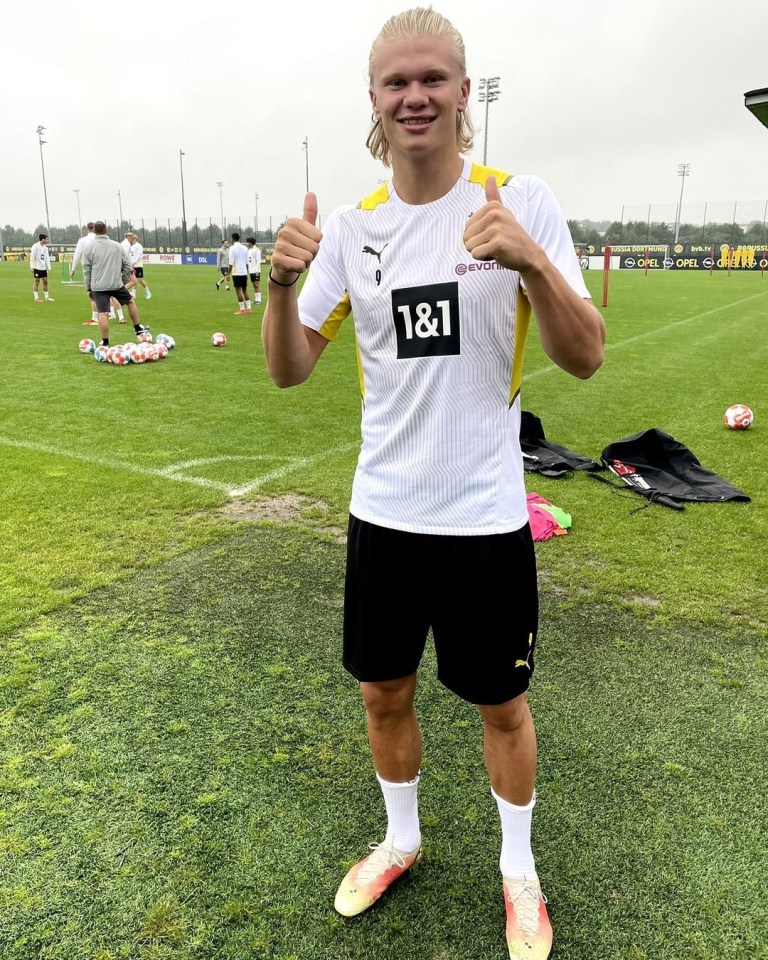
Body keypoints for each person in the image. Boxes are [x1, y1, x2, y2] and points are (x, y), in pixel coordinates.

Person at [262, 8, 605, 960]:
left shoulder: (518, 199)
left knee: (503, 706)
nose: (415, 96)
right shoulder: (357, 230)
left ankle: (518, 872)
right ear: (373, 102)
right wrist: (282, 286)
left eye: (432, 79)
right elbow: (290, 371)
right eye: (394, 82)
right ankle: (402, 840)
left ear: (463, 91)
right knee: (383, 694)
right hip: (386, 512)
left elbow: (586, 357)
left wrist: (530, 259)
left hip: (488, 517)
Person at [82, 221, 149, 349]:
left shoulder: (89, 247)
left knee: (103, 313)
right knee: (130, 301)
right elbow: (128, 266)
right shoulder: (117, 246)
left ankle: (105, 342)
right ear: (106, 229)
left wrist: (89, 287)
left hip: (98, 286)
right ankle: (137, 328)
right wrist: (122, 281)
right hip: (116, 284)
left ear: (94, 231)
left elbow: (86, 269)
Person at [228, 231, 251, 314]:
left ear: (233, 239)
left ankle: (241, 309)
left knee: (238, 290)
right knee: (245, 290)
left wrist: (228, 274)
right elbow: (247, 262)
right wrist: (246, 271)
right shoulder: (245, 248)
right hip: (244, 272)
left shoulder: (232, 248)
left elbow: (231, 262)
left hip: (236, 272)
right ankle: (249, 309)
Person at [125, 232, 152, 299]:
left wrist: (134, 262)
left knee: (140, 280)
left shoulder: (139, 246)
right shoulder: (131, 246)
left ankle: (148, 292)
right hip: (132, 265)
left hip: (138, 265)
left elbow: (139, 255)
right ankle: (133, 294)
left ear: (134, 239)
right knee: (133, 280)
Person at [30, 233, 54, 302]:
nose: (47, 240)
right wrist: (31, 267)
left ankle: (47, 297)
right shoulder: (35, 246)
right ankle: (36, 298)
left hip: (43, 268)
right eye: (46, 239)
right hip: (37, 267)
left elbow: (47, 258)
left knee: (45, 282)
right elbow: (32, 257)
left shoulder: (45, 248)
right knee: (36, 282)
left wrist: (49, 268)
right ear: (42, 239)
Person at [246, 237, 263, 305]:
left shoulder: (256, 250)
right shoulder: (249, 250)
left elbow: (258, 260)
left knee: (257, 284)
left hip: (255, 270)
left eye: (248, 242)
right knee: (254, 285)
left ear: (250, 242)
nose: (247, 244)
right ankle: (256, 299)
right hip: (251, 270)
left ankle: (259, 299)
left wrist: (257, 270)